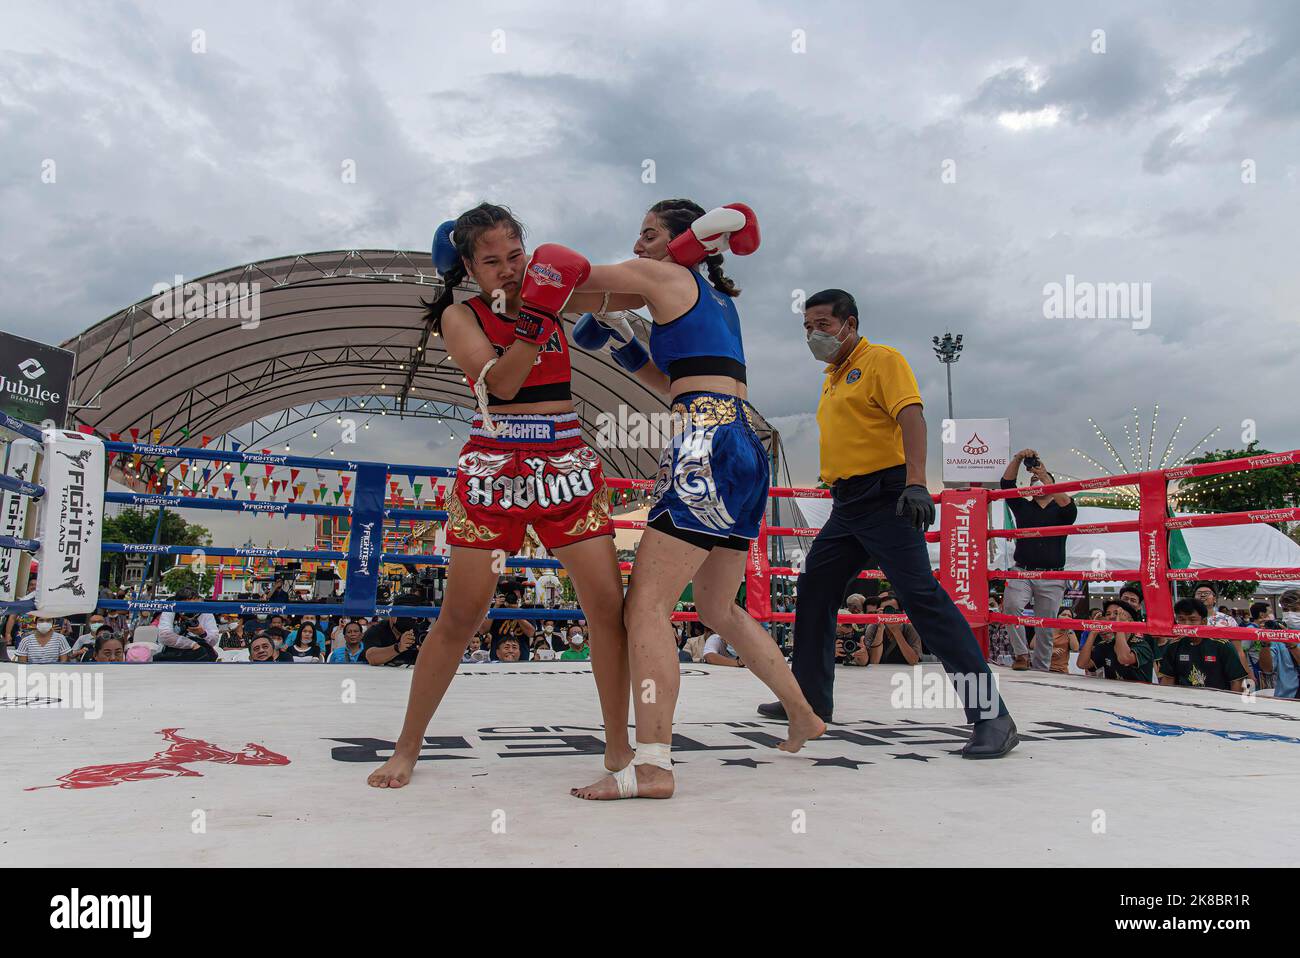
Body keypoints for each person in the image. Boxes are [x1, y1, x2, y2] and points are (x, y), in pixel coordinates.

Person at [367, 204, 634, 790]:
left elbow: (630, 296)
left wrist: (682, 253)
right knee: (459, 617)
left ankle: (619, 751)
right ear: (468, 266)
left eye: (516, 256)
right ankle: (406, 748)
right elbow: (506, 383)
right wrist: (538, 316)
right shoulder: (459, 318)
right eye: (492, 261)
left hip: (564, 464)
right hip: (495, 471)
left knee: (607, 612)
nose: (509, 270)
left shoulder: (552, 294)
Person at [568, 199, 826, 801]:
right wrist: (628, 353)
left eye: (650, 233)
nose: (639, 244)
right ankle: (803, 712)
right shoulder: (716, 301)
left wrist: (505, 285)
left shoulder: (664, 274)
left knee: (645, 608)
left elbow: (580, 285)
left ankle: (655, 765)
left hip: (704, 444)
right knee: (718, 608)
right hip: (739, 441)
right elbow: (682, 381)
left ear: (685, 240)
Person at [758, 288, 1017, 757]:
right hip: (847, 503)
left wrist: (916, 482)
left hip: (888, 496)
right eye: (807, 327)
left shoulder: (882, 360)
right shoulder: (832, 375)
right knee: (815, 589)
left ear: (849, 323)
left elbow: (912, 416)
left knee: (923, 600)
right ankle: (810, 701)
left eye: (822, 324)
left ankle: (992, 717)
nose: (814, 334)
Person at [999, 449, 1078, 671]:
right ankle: (1021, 655)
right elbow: (1006, 486)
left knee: (1046, 624)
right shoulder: (1023, 506)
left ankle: (1042, 667)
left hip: (1052, 573)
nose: (1038, 480)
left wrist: (1044, 476)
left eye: (1042, 478)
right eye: (1033, 478)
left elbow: (1069, 506)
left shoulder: (1062, 510)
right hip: (1022, 569)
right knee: (1011, 607)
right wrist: (1017, 459)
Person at [1157, 598, 1248, 691]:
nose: (1186, 624)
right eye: (1181, 619)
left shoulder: (1222, 645)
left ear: (1204, 622)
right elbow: (1168, 680)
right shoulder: (1173, 646)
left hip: (1218, 701)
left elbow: (1237, 681)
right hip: (1184, 701)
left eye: (1192, 620)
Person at [1076, 600, 1153, 681]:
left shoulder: (1142, 645)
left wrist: (1120, 626)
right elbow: (1082, 664)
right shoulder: (1106, 645)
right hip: (1113, 692)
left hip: (1138, 693)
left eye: (1117, 613)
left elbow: (1124, 658)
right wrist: (1093, 632)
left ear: (1131, 620)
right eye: (1108, 614)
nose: (1111, 616)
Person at [1259, 589, 1300, 700]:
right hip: (1285, 700)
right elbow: (1267, 669)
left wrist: (1292, 645)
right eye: (1286, 609)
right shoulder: (1278, 636)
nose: (1290, 613)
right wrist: (1265, 645)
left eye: (1295, 609)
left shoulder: (1283, 638)